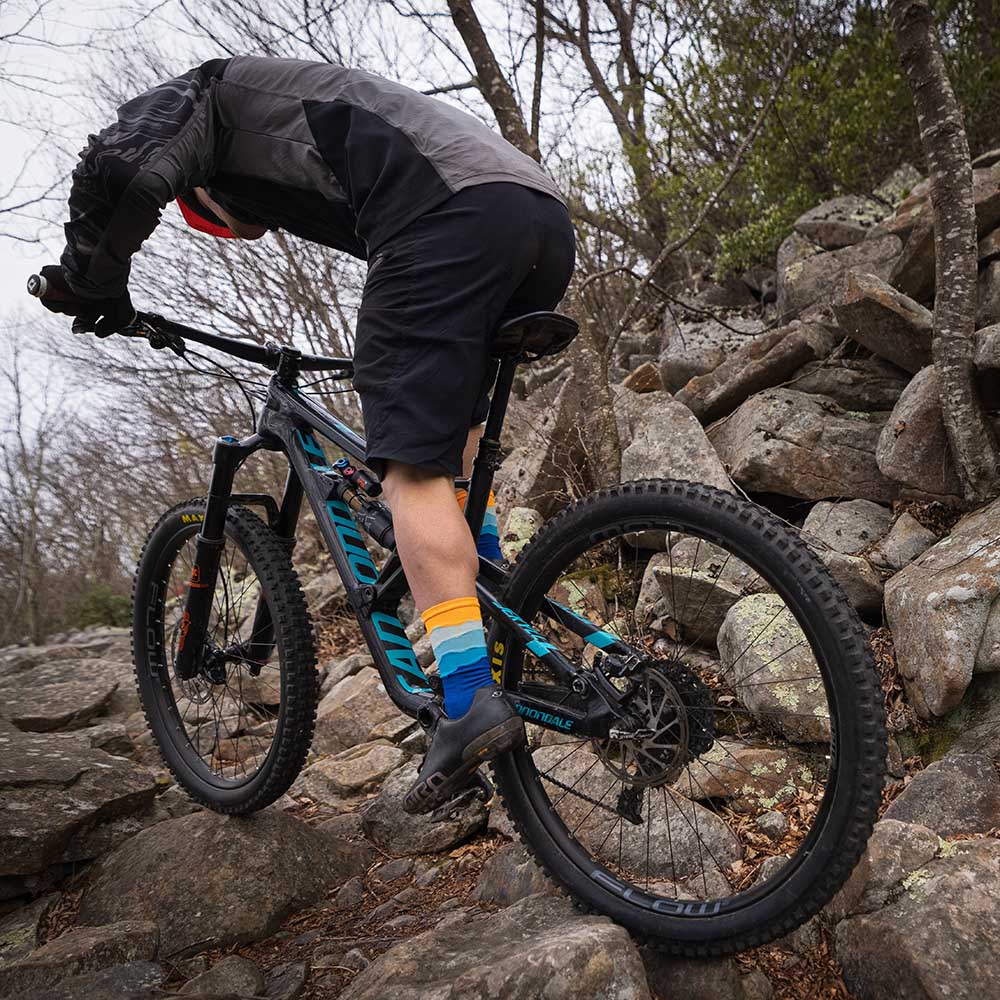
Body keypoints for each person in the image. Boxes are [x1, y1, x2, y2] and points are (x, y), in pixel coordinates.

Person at [34, 56, 575, 814]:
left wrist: (90, 281)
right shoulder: (306, 117)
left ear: (201, 190)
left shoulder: (203, 95)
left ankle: (467, 701)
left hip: (449, 214)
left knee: (409, 474)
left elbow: (119, 165)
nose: (239, 232)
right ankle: (503, 611)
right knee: (451, 446)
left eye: (216, 220)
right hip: (539, 217)